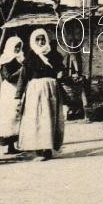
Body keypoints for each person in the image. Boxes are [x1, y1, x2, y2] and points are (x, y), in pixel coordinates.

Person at [15, 29, 65, 161]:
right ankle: (38, 150)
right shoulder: (30, 56)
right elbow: (23, 77)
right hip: (35, 91)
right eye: (37, 39)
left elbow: (61, 69)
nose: (41, 42)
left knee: (49, 119)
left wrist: (61, 73)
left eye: (43, 39)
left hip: (51, 90)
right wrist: (18, 97)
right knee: (36, 119)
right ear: (33, 41)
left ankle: (47, 150)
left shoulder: (54, 55)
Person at [0, 36, 24, 154]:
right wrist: (21, 71)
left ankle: (17, 144)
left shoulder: (21, 58)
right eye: (15, 46)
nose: (17, 49)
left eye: (19, 46)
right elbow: (8, 77)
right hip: (9, 90)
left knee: (19, 115)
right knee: (9, 116)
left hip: (20, 88)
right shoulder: (5, 60)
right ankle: (10, 145)